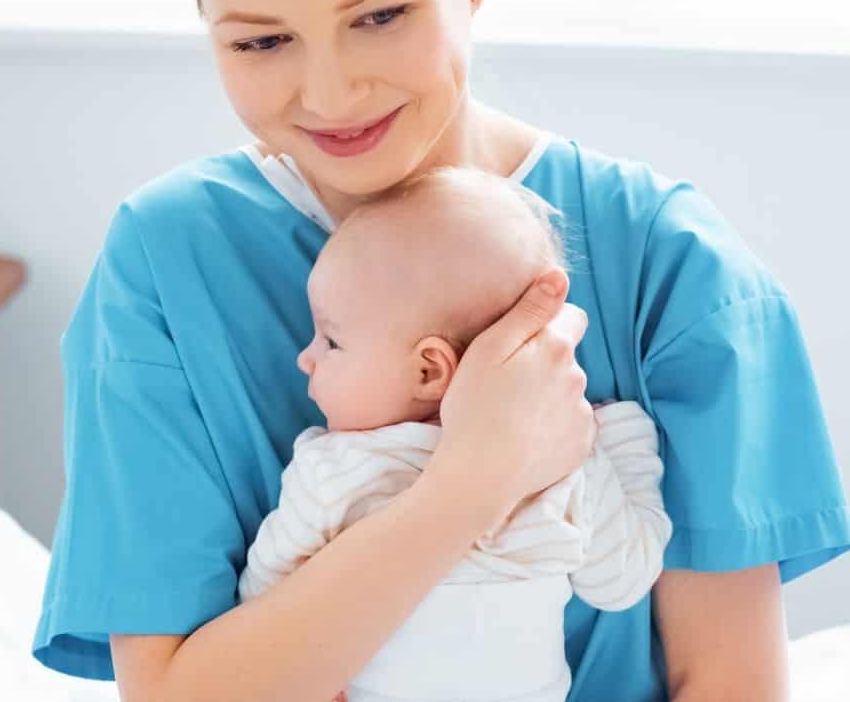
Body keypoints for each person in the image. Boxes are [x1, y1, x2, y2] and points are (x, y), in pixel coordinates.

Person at [31, 0, 850, 700]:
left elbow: (727, 681)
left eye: (380, 15)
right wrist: (470, 482)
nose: (333, 91)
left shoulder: (672, 266)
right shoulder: (165, 265)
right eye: (262, 40)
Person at [237, 166, 673, 702]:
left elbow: (261, 600)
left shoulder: (336, 469)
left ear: (428, 370)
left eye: (330, 341)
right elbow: (623, 579)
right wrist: (617, 440)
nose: (305, 358)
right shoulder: (558, 460)